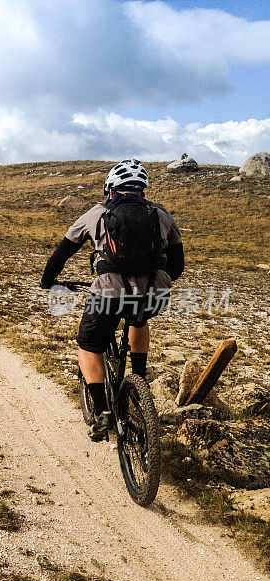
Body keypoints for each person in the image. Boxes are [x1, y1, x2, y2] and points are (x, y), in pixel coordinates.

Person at [39, 159, 185, 441]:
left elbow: (61, 254)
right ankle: (139, 377)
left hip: (107, 294)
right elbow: (177, 265)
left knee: (89, 344)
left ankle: (103, 410)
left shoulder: (96, 213)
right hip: (152, 295)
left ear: (111, 189)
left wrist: (48, 281)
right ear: (142, 189)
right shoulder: (161, 215)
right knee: (138, 316)